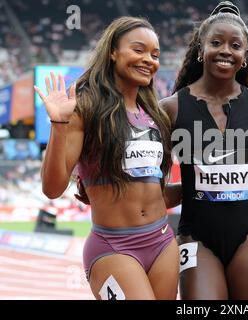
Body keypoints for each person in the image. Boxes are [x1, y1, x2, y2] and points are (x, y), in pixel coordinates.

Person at [34, 17, 179, 300]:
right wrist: (58, 125)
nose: (149, 60)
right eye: (138, 50)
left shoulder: (156, 115)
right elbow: (52, 188)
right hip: (113, 247)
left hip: (162, 242)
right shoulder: (84, 109)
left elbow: (153, 192)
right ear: (113, 51)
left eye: (155, 54)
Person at [159, 1, 248, 300]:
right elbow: (154, 188)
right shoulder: (170, 109)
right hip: (195, 237)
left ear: (245, 57)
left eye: (235, 45)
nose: (226, 50)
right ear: (200, 50)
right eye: (216, 42)